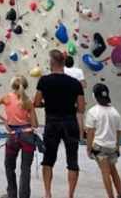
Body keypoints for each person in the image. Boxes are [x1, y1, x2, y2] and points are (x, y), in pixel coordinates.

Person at [35, 49, 85, 198]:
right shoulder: (75, 83)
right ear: (64, 63)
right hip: (70, 123)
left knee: (48, 159)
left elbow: (36, 102)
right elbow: (81, 108)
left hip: (52, 122)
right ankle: (70, 195)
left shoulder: (44, 81)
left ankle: (48, 193)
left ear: (51, 63)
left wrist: (47, 103)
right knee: (72, 160)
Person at [0, 75, 40, 198]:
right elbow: (35, 124)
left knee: (9, 166)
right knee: (25, 169)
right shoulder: (28, 101)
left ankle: (11, 194)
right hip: (27, 136)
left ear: (12, 85)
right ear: (25, 86)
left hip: (12, 137)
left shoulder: (6, 98)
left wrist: (5, 120)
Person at [84, 84, 121, 198]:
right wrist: (117, 147)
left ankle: (110, 196)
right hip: (112, 147)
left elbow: (90, 132)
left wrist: (88, 149)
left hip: (99, 147)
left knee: (105, 173)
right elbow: (119, 131)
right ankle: (120, 194)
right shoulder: (115, 111)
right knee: (114, 171)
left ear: (94, 96)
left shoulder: (93, 111)